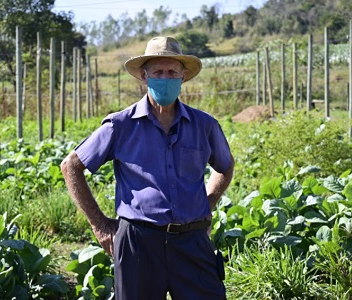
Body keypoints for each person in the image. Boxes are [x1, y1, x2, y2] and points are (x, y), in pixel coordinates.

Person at [61, 36, 234, 300]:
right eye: (158, 72)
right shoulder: (120, 125)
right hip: (138, 243)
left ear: (183, 77)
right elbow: (71, 166)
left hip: (192, 242)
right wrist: (99, 225)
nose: (165, 78)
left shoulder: (204, 125)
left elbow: (225, 166)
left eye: (171, 72)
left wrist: (209, 202)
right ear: (144, 77)